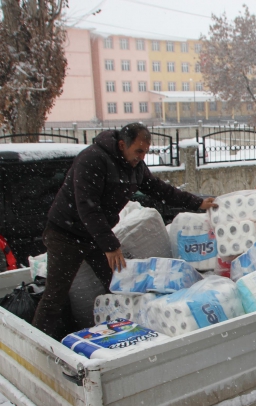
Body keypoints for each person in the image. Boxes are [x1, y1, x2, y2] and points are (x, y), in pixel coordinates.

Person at [33, 123, 218, 340]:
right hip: (66, 234)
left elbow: (161, 190)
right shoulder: (92, 159)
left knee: (119, 283)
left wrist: (197, 203)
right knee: (56, 295)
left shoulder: (135, 167)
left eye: (146, 152)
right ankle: (36, 343)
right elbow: (87, 206)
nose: (142, 157)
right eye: (138, 151)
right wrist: (110, 245)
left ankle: (121, 335)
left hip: (95, 235)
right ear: (122, 145)